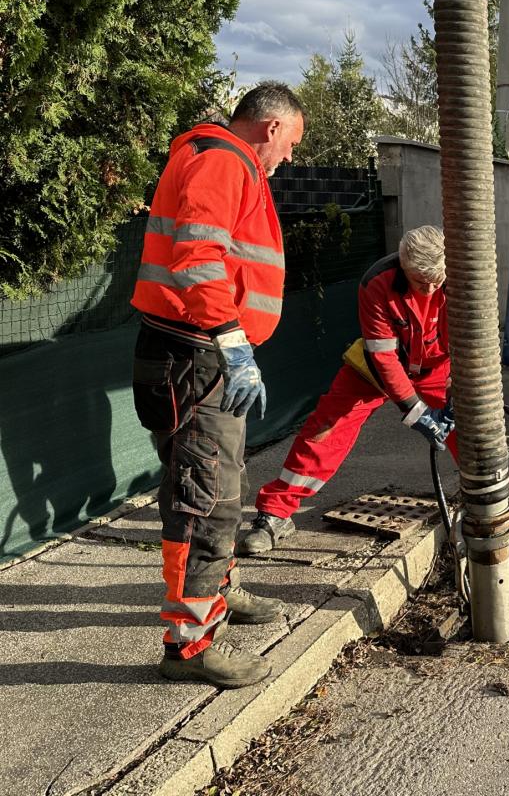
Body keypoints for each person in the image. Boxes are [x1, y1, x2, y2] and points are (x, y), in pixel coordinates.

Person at [237, 224, 509, 568]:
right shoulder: (377, 283)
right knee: (325, 429)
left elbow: (473, 347)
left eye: (436, 282)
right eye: (420, 281)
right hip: (374, 369)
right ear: (403, 266)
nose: (429, 289)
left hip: (437, 370)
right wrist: (417, 413)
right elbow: (382, 356)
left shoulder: (462, 281)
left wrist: (458, 396)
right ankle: (274, 514)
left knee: (477, 441)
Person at [130, 82, 305, 688]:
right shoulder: (226, 160)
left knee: (212, 484)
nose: (289, 158)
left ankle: (217, 594)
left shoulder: (210, 155)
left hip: (190, 354)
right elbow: (199, 256)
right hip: (197, 355)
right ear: (272, 127)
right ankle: (190, 646)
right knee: (205, 500)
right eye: (291, 144)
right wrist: (231, 339)